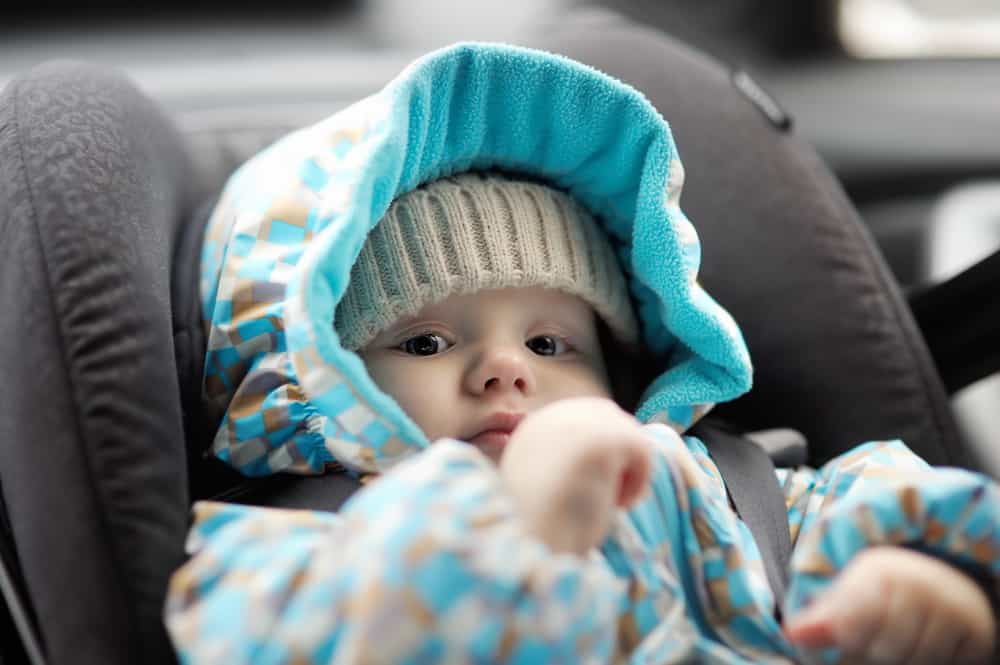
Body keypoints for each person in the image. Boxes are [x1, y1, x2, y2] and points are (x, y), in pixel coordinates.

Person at [166, 42, 999, 664]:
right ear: (313, 375)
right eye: (423, 340)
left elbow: (864, 500)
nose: (506, 368)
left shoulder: (717, 485)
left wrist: (918, 579)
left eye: (549, 341)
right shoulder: (279, 542)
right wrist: (514, 520)